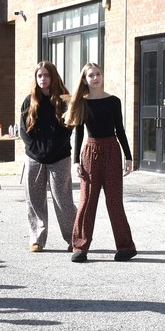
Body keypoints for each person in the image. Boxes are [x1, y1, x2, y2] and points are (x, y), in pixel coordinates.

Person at [65, 63, 136, 263]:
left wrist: (128, 157)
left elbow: (120, 130)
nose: (95, 78)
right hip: (89, 152)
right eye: (91, 75)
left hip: (112, 150)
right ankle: (80, 247)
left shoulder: (114, 101)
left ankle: (126, 247)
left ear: (102, 76)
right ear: (85, 79)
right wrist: (76, 160)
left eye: (98, 74)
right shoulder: (82, 102)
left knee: (114, 200)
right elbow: (78, 133)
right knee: (87, 201)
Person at [19, 61, 75, 253]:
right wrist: (34, 149)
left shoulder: (64, 100)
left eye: (46, 75)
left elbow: (68, 129)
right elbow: (23, 130)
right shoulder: (29, 101)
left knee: (63, 199)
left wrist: (51, 149)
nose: (43, 79)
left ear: (53, 77)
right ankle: (37, 239)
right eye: (39, 76)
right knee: (34, 199)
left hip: (59, 157)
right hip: (34, 158)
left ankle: (74, 239)